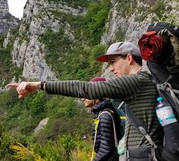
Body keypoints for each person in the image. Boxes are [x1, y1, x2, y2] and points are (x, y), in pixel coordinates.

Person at [8, 42, 164, 160]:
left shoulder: (136, 82)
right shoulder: (145, 81)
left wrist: (38, 85)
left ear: (129, 58)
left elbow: (87, 89)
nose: (110, 68)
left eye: (113, 61)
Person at [84, 77, 121, 161]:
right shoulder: (102, 113)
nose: (83, 98)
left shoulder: (105, 115)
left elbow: (106, 149)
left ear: (97, 93)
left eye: (86, 94)